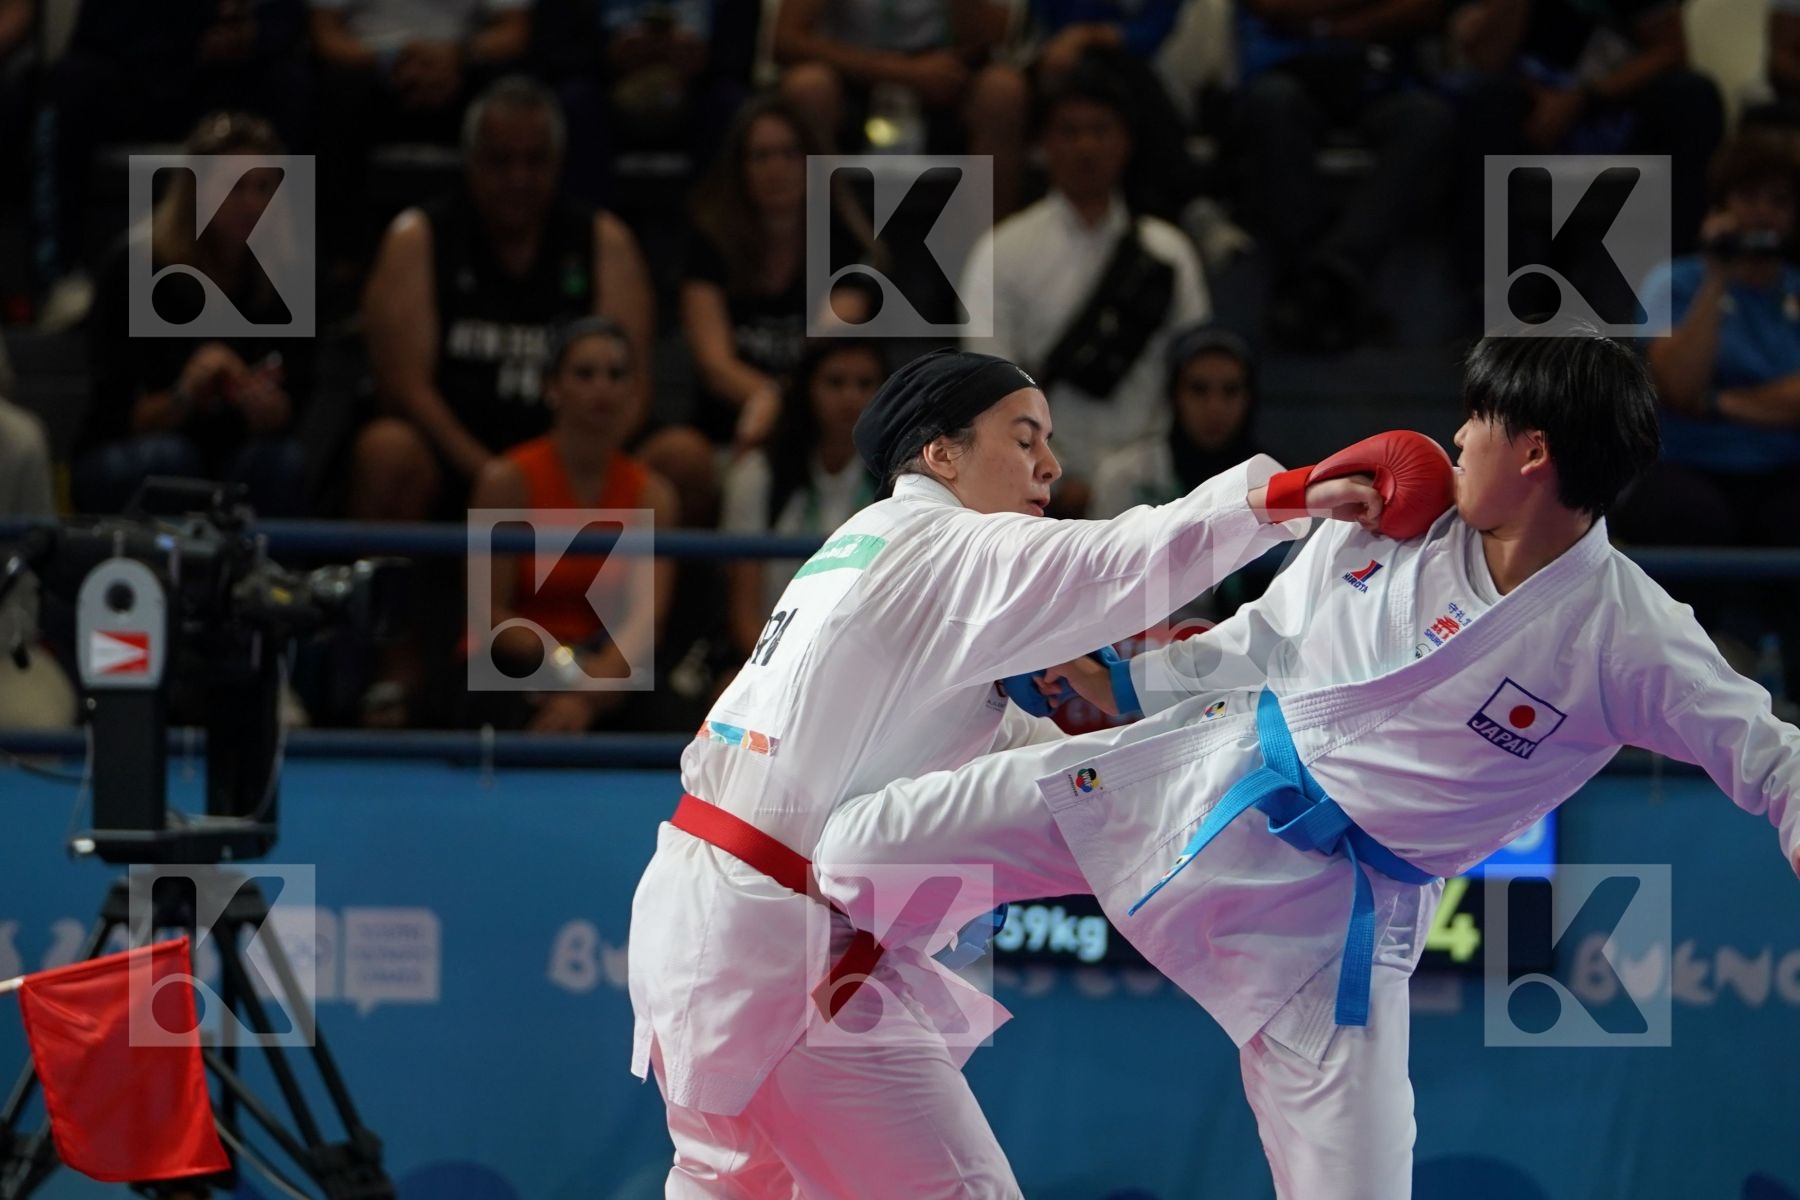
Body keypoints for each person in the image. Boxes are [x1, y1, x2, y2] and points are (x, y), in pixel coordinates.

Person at [813, 329, 1800, 1199]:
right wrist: (1126, 681)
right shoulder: (1390, 525)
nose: (1454, 440)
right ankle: (846, 985)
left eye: (1478, 422)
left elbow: (1771, 761)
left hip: (1333, 924)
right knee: (861, 843)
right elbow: (1258, 646)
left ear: (1534, 451)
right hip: (1204, 779)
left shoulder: (1628, 634)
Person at [627, 347, 1394, 1195]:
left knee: (728, 1185)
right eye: (1023, 438)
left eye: (1051, 441)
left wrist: (1172, 710)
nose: (1051, 466)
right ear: (940, 453)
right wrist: (1281, 498)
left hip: (699, 918)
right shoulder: (941, 540)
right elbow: (1118, 560)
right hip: (781, 947)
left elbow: (1017, 764)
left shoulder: (865, 550)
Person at [348, 75, 704, 524]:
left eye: (534, 161)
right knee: (387, 450)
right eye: (501, 162)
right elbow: (406, 390)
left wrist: (565, 479)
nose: (518, 178)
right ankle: (389, 595)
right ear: (471, 161)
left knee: (684, 459)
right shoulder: (418, 237)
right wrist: (497, 478)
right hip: (455, 459)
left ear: (558, 164)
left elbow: (633, 386)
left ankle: (642, 596)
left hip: (580, 465)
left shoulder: (604, 240)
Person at [962, 63, 1209, 514]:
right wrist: (1053, 473)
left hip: (1154, 486)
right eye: (1069, 131)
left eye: (1101, 130)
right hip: (1043, 490)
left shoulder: (1169, 252)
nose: (1086, 146)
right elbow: (988, 388)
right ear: (1043, 144)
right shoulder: (1001, 252)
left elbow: (1196, 376)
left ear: (1126, 142)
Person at [1613, 129, 1800, 702]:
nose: (1761, 214)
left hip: (1780, 469)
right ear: (1722, 205)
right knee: (1690, 515)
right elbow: (1674, 384)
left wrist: (1717, 404)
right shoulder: (1678, 282)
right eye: (1749, 198)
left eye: (1777, 201)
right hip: (1684, 466)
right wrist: (1718, 279)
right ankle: (1682, 685)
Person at [73, 112, 311, 517]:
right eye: (235, 187)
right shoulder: (135, 267)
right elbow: (110, 416)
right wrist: (185, 394)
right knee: (170, 461)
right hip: (131, 452)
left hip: (233, 455)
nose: (252, 203)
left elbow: (298, 396)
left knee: (280, 461)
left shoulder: (289, 276)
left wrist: (269, 409)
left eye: (264, 188)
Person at [465, 317, 678, 733]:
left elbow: (646, 619)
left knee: (672, 717)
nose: (602, 387)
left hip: (607, 666)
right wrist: (566, 670)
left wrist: (590, 689)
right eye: (584, 374)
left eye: (616, 375)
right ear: (551, 386)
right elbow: (488, 613)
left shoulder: (653, 494)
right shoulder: (506, 480)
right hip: (521, 660)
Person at [1232, 0, 1455, 353]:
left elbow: (1426, 7)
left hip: (1380, 76)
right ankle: (1328, 284)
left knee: (1428, 120)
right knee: (1270, 103)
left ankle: (1327, 274)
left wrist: (1329, 23)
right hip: (1287, 66)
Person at [681, 94, 881, 452]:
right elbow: (715, 364)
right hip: (727, 429)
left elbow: (827, 352)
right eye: (761, 156)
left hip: (813, 434)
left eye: (790, 154)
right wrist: (769, 400)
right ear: (739, 168)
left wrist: (781, 408)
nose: (776, 169)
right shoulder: (710, 246)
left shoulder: (846, 248)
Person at [307, 0, 531, 272]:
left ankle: (500, 263)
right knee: (329, 96)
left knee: (509, 101)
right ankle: (341, 266)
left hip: (464, 66)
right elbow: (325, 33)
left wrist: (457, 57)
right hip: (368, 67)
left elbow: (514, 29)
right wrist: (390, 61)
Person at [773, 0, 1028, 217]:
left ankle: (989, 260)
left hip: (948, 73)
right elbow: (785, 41)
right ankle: (814, 252)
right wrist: (900, 72)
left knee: (1002, 92)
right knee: (807, 88)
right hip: (853, 72)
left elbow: (998, 37)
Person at [719, 338, 886, 660]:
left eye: (865, 384)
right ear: (806, 390)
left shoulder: (898, 480)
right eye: (835, 382)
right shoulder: (758, 475)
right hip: (768, 657)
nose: (850, 397)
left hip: (865, 662)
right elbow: (744, 617)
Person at [1091, 324, 1264, 518]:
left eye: (1231, 390)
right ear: (1174, 395)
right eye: (1198, 389)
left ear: (1250, 398)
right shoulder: (1127, 478)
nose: (1214, 407)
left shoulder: (1275, 481)